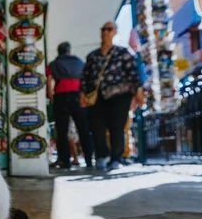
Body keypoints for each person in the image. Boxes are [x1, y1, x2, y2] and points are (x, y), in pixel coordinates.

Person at [80, 22, 143, 170]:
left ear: (115, 32)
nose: (106, 32)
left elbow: (133, 73)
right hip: (97, 97)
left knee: (117, 127)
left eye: (109, 29)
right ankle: (102, 156)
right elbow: (85, 76)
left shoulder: (123, 53)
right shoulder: (93, 56)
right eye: (103, 29)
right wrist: (82, 93)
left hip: (119, 96)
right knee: (97, 127)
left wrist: (138, 92)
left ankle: (116, 158)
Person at [47, 42, 93, 169]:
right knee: (83, 128)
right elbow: (86, 80)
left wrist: (51, 97)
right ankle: (89, 159)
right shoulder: (79, 62)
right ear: (69, 51)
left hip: (61, 96)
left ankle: (64, 161)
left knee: (62, 130)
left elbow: (49, 81)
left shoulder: (53, 64)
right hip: (78, 96)